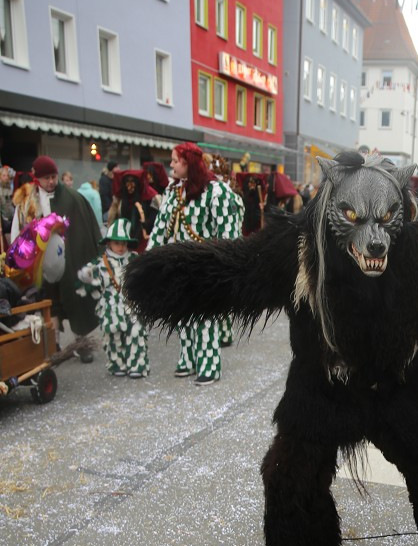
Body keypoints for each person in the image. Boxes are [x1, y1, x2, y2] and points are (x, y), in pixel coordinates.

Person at [145, 142, 244, 384]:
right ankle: (187, 358)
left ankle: (209, 364)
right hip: (179, 265)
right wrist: (147, 260)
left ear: (188, 163)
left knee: (204, 316)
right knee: (181, 315)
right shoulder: (173, 191)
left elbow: (229, 232)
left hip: (206, 264)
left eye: (175, 160)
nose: (171, 164)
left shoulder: (216, 191)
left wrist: (224, 264)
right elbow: (160, 228)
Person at [11, 155, 100, 357]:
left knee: (76, 298)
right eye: (46, 178)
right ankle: (54, 344)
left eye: (54, 177)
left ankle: (82, 344)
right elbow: (18, 232)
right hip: (41, 264)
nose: (51, 182)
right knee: (49, 303)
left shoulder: (71, 198)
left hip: (68, 260)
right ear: (36, 178)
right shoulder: (27, 202)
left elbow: (84, 228)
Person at [76, 218, 148, 377]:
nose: (121, 247)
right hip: (110, 305)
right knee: (113, 335)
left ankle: (137, 365)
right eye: (117, 243)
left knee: (136, 333)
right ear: (109, 243)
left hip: (132, 304)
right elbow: (89, 277)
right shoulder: (101, 263)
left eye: (123, 243)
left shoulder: (134, 259)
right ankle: (117, 363)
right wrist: (87, 276)